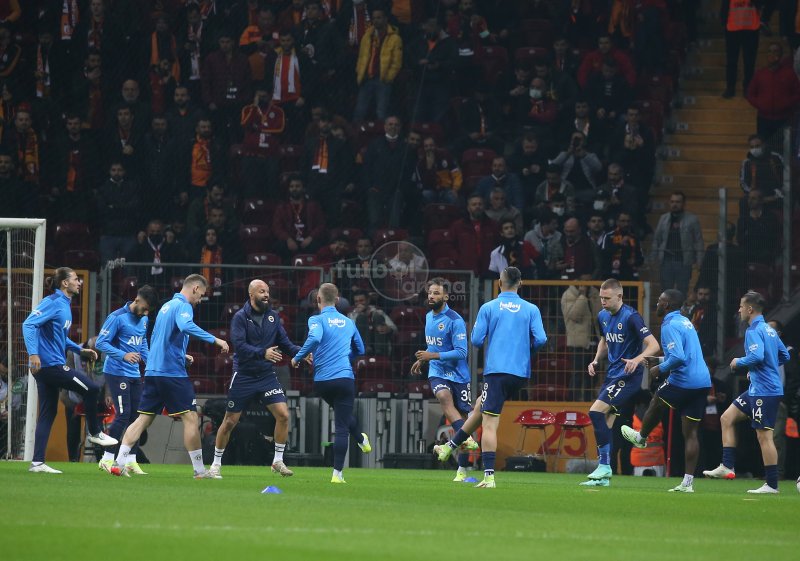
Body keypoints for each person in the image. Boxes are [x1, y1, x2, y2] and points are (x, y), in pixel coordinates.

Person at [434, 267, 547, 488]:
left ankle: (489, 477)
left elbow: (476, 340)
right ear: (520, 283)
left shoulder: (489, 307)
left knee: (490, 422)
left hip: (497, 372)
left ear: (500, 283)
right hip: (521, 374)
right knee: (480, 406)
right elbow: (541, 339)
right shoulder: (531, 309)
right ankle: (449, 447)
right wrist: (526, 351)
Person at [111, 275, 230, 478]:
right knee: (191, 417)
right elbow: (186, 326)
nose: (200, 300)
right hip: (172, 373)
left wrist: (181, 356)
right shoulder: (184, 306)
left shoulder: (166, 307)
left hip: (153, 371)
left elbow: (159, 339)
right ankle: (200, 470)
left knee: (143, 419)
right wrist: (215, 340)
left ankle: (119, 462)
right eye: (201, 295)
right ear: (195, 288)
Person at [210, 280, 310, 479]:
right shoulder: (240, 317)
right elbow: (239, 346)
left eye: (267, 291)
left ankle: (277, 461)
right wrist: (263, 353)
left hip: (265, 376)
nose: (266, 295)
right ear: (251, 295)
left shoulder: (273, 317)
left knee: (283, 415)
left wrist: (301, 353)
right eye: (261, 291)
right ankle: (215, 464)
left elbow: (285, 343)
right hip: (244, 375)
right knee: (229, 422)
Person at [22, 267, 118, 473]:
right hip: (50, 365)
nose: (78, 282)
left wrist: (80, 350)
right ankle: (95, 432)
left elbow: (61, 338)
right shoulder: (52, 302)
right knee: (92, 388)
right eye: (75, 279)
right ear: (65, 283)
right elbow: (28, 324)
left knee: (48, 413)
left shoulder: (64, 305)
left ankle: (37, 462)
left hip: (46, 367)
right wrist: (33, 354)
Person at [620, 289, 712, 493]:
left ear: (667, 305)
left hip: (684, 380)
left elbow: (678, 357)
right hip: (702, 381)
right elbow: (683, 354)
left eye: (660, 301)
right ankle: (687, 483)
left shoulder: (669, 325)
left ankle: (641, 437)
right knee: (691, 434)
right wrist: (659, 360)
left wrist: (659, 368)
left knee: (656, 401)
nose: (657, 304)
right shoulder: (685, 322)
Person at [703, 291, 789, 494]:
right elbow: (784, 355)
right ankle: (727, 466)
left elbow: (757, 356)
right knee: (727, 418)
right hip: (757, 389)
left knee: (764, 436)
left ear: (750, 309)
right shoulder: (769, 330)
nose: (739, 309)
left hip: (764, 392)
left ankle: (772, 484)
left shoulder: (753, 330)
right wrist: (760, 368)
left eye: (741, 306)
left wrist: (739, 362)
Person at [581, 278, 660, 486]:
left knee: (595, 412)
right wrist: (596, 360)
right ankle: (604, 475)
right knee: (606, 422)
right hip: (612, 375)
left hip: (628, 377)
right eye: (601, 298)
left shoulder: (631, 317)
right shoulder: (602, 316)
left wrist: (636, 360)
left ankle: (604, 467)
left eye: (607, 298)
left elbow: (654, 345)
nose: (603, 302)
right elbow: (604, 340)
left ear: (619, 296)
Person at [291, 283, 371, 483]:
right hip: (344, 378)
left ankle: (361, 439)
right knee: (342, 424)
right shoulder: (349, 322)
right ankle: (337, 474)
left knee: (342, 415)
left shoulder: (316, 319)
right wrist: (345, 357)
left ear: (318, 299)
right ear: (337, 300)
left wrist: (297, 357)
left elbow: (314, 338)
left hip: (322, 382)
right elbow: (361, 350)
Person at [411, 278, 477, 481]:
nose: (431, 296)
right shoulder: (428, 317)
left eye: (436, 293)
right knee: (443, 397)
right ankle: (468, 438)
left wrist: (431, 356)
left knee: (464, 419)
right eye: (430, 293)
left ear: (446, 297)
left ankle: (462, 470)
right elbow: (434, 345)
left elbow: (461, 352)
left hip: (459, 375)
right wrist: (424, 360)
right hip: (437, 371)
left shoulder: (455, 321)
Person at [95, 285, 159, 475]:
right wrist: (123, 355)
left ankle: (131, 460)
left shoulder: (144, 319)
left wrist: (150, 362)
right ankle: (107, 458)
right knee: (123, 415)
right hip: (116, 372)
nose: (146, 313)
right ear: (137, 300)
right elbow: (100, 343)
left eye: (149, 311)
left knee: (137, 417)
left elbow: (142, 342)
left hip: (134, 374)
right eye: (144, 308)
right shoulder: (117, 317)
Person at [650, 191, 704, 298]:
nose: (674, 204)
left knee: (682, 291)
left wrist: (700, 261)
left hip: (683, 261)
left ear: (683, 203)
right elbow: (657, 239)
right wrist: (653, 258)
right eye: (672, 202)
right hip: (666, 260)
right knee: (665, 292)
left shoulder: (692, 219)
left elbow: (698, 241)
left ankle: (681, 309)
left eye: (678, 202)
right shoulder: (663, 218)